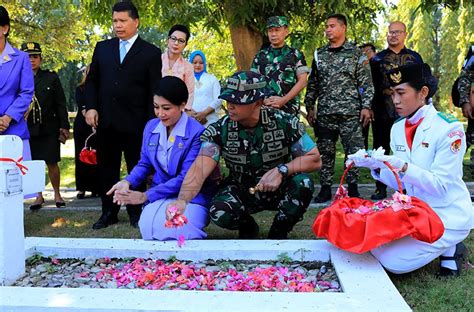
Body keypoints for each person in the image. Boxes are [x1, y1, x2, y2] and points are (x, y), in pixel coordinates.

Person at [348, 63, 472, 277]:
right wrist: (377, 166)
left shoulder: (449, 129)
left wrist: (404, 167)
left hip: (446, 213)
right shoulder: (397, 127)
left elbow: (441, 187)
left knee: (393, 263)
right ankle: (443, 247)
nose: (395, 100)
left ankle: (451, 246)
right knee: (369, 243)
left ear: (423, 92)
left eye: (401, 93)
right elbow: (402, 183)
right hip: (415, 212)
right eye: (392, 93)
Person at [167, 71, 322, 239]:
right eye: (228, 100)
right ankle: (247, 226)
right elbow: (200, 168)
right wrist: (182, 200)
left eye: (237, 101)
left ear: (258, 102)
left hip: (278, 186)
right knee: (219, 210)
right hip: (242, 189)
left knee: (303, 183)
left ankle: (279, 232)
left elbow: (314, 159)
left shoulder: (283, 122)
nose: (230, 105)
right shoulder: (220, 129)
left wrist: (282, 170)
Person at [107, 77, 217, 240]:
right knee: (147, 228)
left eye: (166, 108)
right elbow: (144, 163)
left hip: (190, 195)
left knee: (175, 228)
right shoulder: (151, 127)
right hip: (161, 193)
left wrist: (146, 196)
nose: (160, 114)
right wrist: (127, 181)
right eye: (156, 107)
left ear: (182, 105)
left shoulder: (196, 132)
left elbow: (185, 178)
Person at [85, 1, 162, 229]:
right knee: (106, 169)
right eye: (115, 21)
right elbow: (92, 82)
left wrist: (152, 123)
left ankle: (136, 213)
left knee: (135, 169)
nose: (117, 25)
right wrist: (90, 107)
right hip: (106, 121)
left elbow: (153, 90)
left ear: (135, 22)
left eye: (122, 21)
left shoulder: (150, 52)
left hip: (137, 124)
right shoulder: (103, 48)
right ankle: (108, 212)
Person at [304, 14, 373, 203]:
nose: (327, 29)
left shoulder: (357, 54)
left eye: (332, 26)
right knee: (325, 152)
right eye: (326, 26)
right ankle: (325, 189)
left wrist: (366, 106)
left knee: (354, 151)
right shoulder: (320, 54)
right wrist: (310, 106)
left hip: (350, 112)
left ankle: (352, 188)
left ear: (343, 28)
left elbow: (366, 83)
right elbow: (314, 83)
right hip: (326, 112)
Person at [369, 21, 423, 200]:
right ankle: (381, 187)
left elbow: (421, 85)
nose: (393, 35)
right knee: (380, 148)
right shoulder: (377, 59)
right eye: (391, 32)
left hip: (409, 111)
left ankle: (410, 184)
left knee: (410, 148)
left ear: (405, 34)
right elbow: (371, 86)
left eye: (397, 32)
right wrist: (369, 107)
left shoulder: (415, 58)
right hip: (382, 109)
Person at [21, 42, 70, 210]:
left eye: (35, 56)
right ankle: (38, 196)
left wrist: (64, 125)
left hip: (49, 127)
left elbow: (60, 103)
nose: (31, 60)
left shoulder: (51, 77)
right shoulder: (18, 78)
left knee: (52, 162)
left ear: (40, 58)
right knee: (33, 164)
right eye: (27, 57)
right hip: (28, 128)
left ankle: (57, 193)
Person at [251, 16, 309, 116]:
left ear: (286, 31)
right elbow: (252, 82)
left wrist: (284, 100)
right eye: (270, 30)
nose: (273, 34)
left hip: (289, 110)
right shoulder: (259, 56)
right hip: (264, 110)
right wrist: (262, 101)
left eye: (277, 30)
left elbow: (303, 81)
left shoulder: (296, 55)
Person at [0, 6, 34, 160]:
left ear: (4, 29)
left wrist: (7, 118)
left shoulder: (21, 58)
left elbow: (26, 92)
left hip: (14, 131)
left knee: (18, 182)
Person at [73, 66, 99, 199]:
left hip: (98, 124)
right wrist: (90, 120)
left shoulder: (101, 88)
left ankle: (96, 187)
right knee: (82, 155)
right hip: (83, 125)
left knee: (97, 156)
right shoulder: (80, 88)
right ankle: (82, 188)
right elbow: (83, 107)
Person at [161, 24, 194, 110]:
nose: (176, 43)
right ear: (168, 40)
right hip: (155, 108)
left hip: (177, 111)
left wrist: (185, 110)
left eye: (181, 41)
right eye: (173, 39)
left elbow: (190, 92)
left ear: (185, 45)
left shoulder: (188, 67)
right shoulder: (156, 60)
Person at [188, 50, 222, 127]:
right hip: (191, 121)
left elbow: (219, 99)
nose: (198, 65)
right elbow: (183, 100)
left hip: (210, 121)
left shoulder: (212, 79)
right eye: (195, 62)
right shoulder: (186, 80)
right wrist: (195, 116)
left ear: (204, 63)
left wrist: (204, 113)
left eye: (201, 62)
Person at [359, 43, 377, 149]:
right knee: (362, 136)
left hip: (379, 107)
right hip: (363, 106)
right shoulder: (360, 68)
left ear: (374, 52)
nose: (365, 54)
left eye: (368, 51)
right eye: (363, 52)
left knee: (380, 139)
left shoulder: (379, 66)